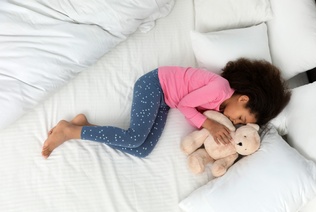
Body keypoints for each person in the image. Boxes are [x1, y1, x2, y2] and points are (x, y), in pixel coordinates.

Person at [41, 58, 291, 159]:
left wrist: (211, 129)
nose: (233, 122)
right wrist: (210, 124)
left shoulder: (220, 106)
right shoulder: (220, 88)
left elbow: (189, 111)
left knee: (142, 150)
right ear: (243, 99)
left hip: (165, 101)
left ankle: (83, 126)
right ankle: (68, 131)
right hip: (155, 86)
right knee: (136, 137)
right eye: (240, 118)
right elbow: (185, 105)